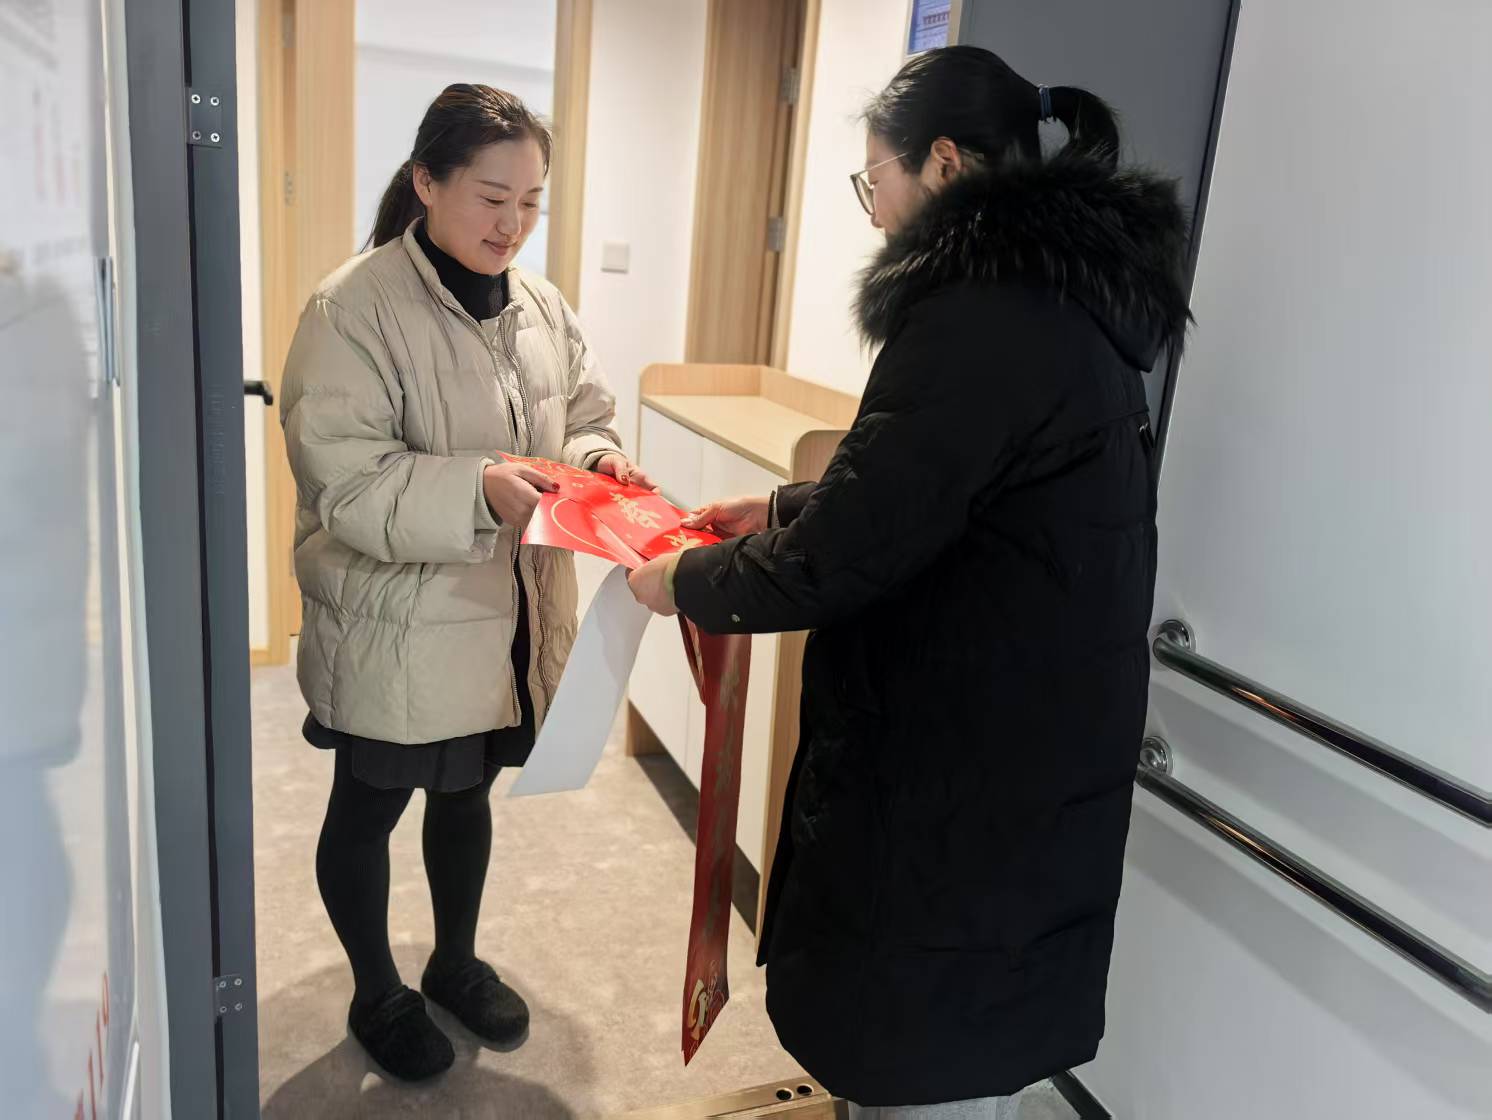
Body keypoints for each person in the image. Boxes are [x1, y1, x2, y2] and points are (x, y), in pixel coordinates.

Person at [629, 46, 1190, 1118]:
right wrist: (782, 508)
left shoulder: (980, 313)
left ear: (941, 162)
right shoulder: (1053, 297)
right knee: (958, 1054)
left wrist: (687, 580)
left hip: (961, 775)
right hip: (1014, 761)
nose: (874, 209)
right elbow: (940, 491)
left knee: (925, 1063)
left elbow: (850, 553)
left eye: (873, 178)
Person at [280, 83, 650, 1082]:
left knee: (467, 792)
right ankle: (375, 989)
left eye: (530, 201)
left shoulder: (540, 304)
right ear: (426, 181)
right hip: (398, 620)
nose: (512, 223)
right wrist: (479, 486)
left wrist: (598, 458)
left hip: (505, 613)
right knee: (369, 807)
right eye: (491, 197)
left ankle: (453, 961)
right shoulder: (351, 309)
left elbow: (582, 412)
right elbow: (346, 482)